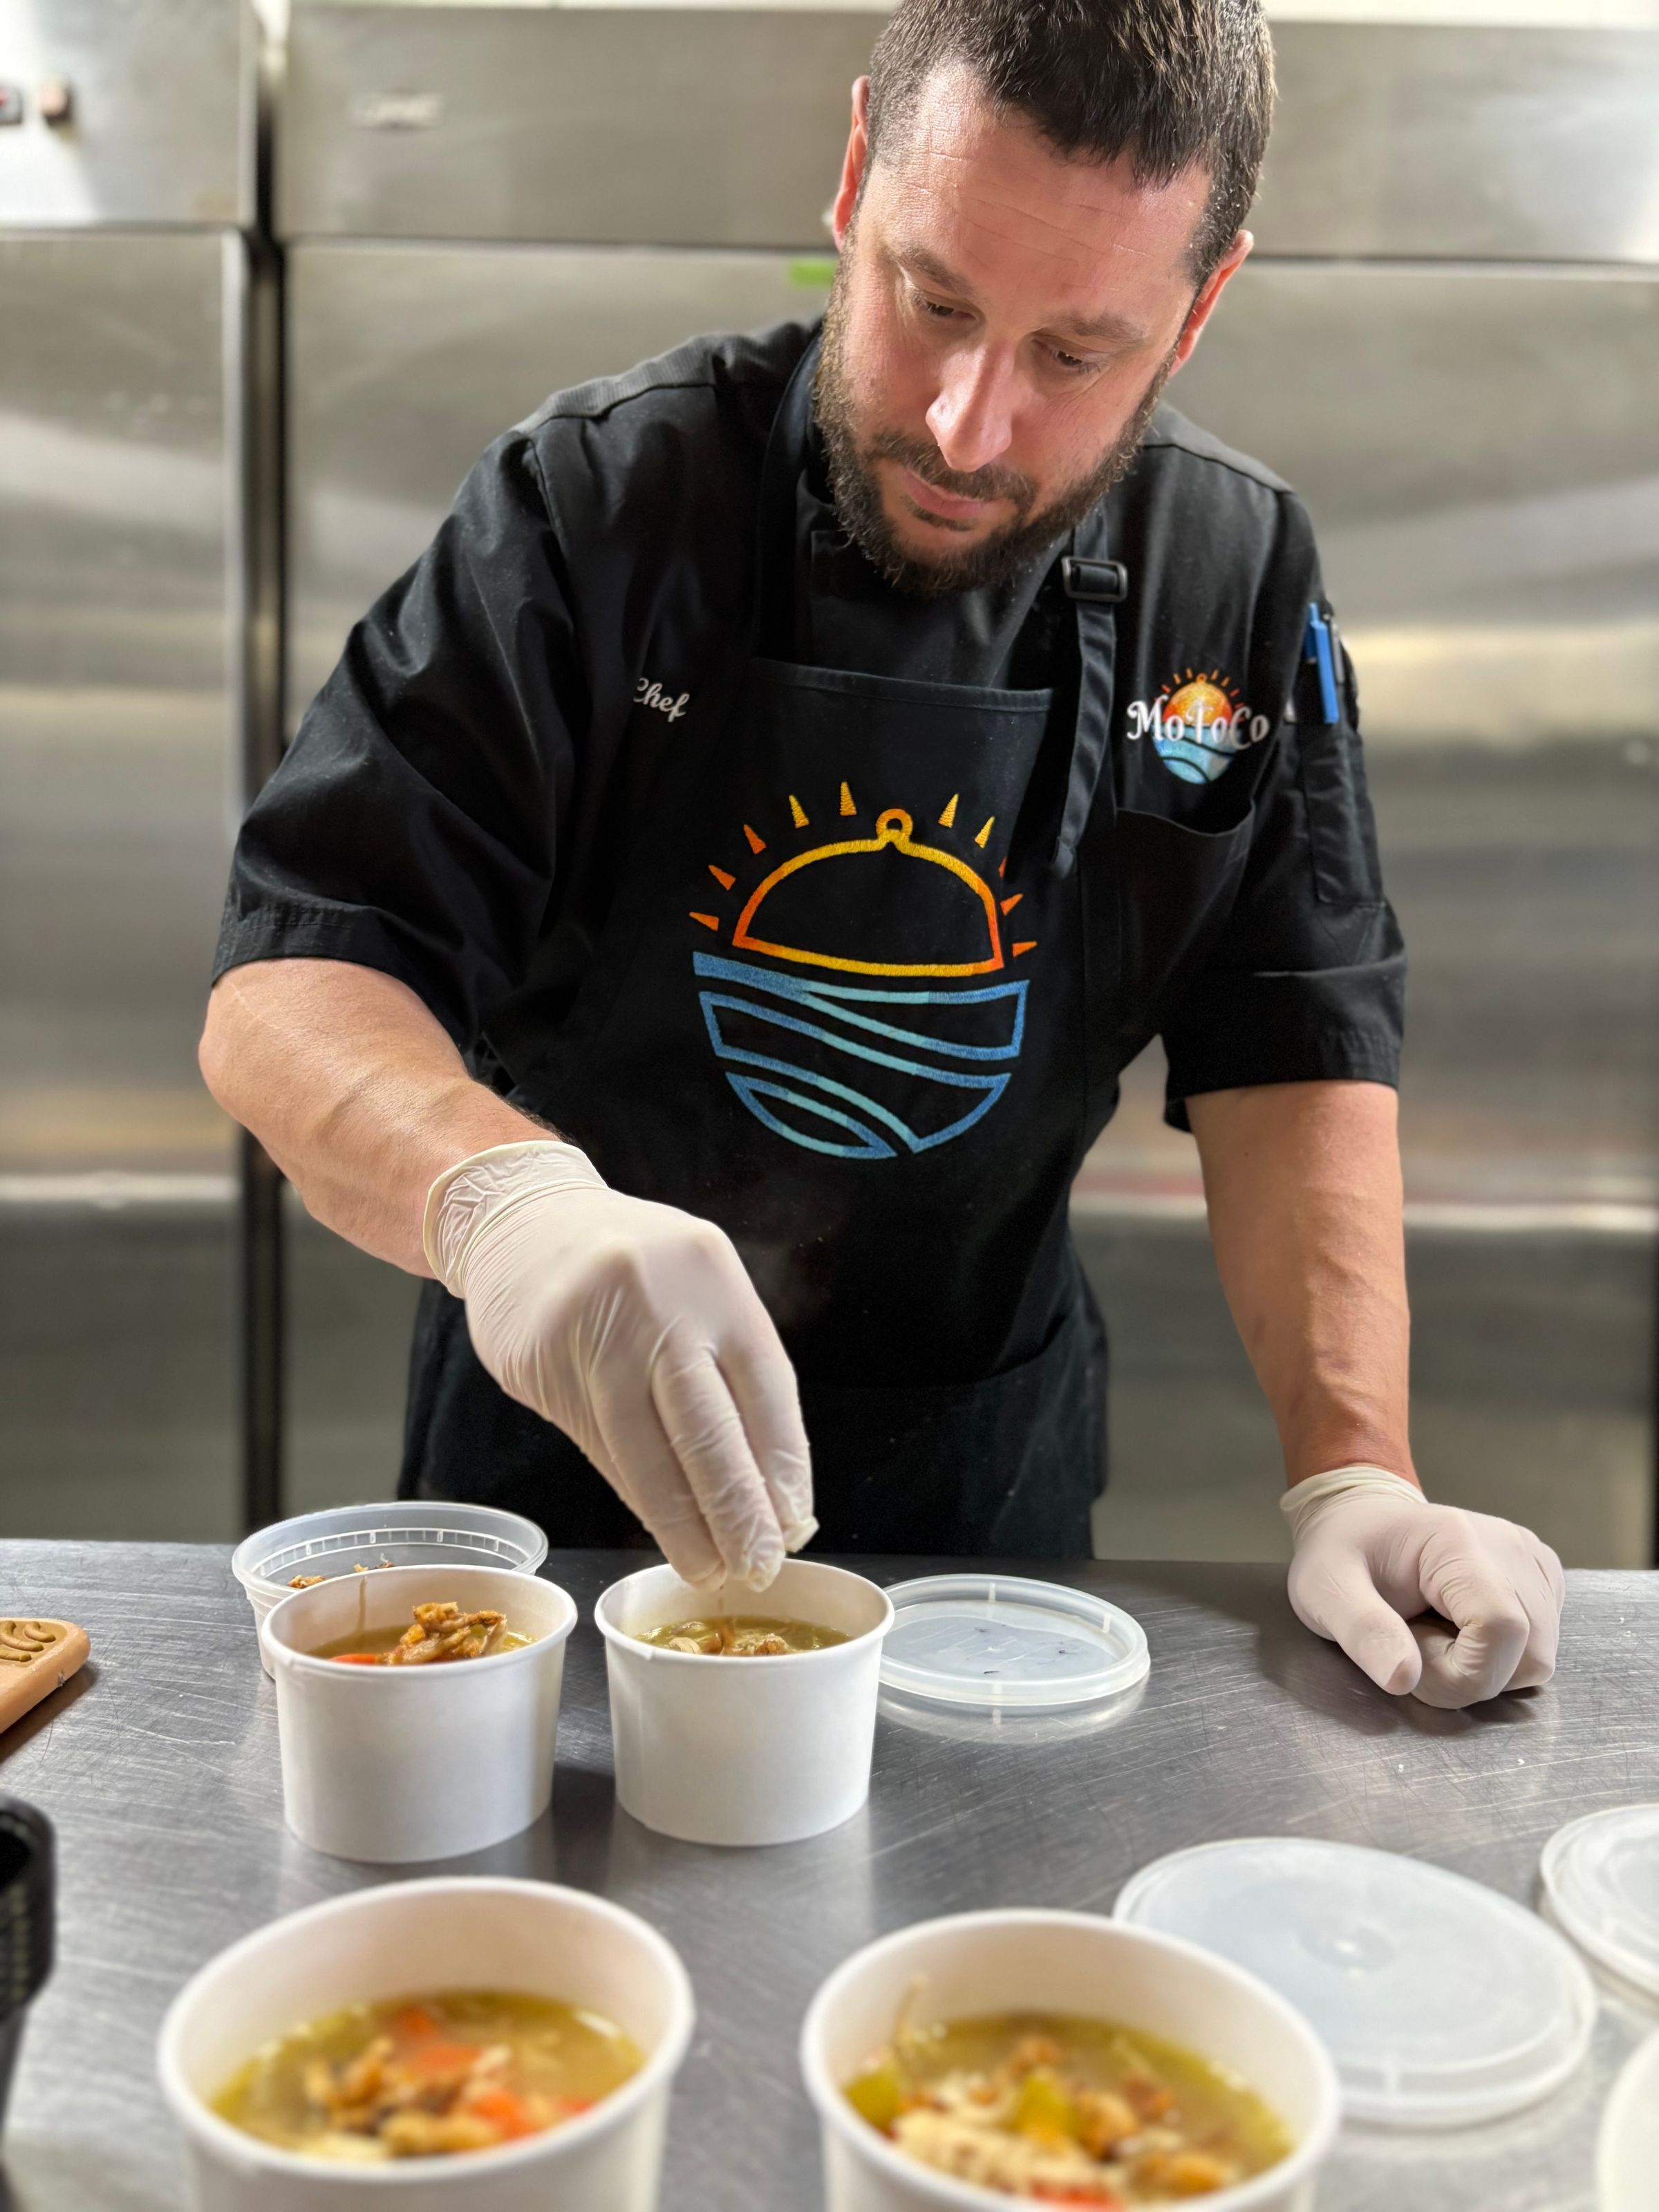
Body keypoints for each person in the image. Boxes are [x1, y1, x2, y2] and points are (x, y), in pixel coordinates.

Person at [200, 0, 1564, 1710]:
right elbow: (291, 983)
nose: (974, 426)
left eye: (1077, 355)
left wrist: (1356, 1467)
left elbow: (1293, 1044)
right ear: (856, 176)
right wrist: (509, 1207)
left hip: (984, 1508)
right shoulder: (599, 509)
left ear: (1198, 309)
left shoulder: (1234, 576)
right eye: (936, 302)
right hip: (557, 1508)